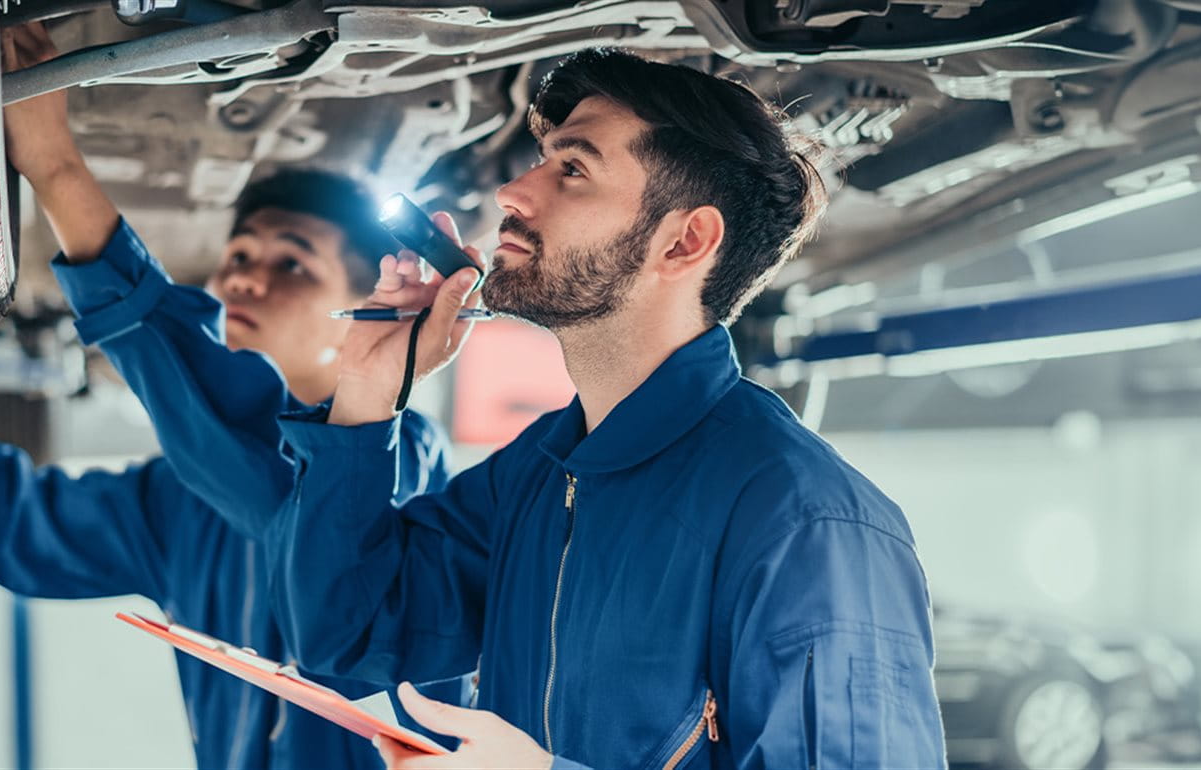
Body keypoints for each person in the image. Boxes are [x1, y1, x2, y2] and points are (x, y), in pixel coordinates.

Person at [266, 48, 948, 769]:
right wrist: (367, 398)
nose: (513, 193)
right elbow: (351, 635)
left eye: (572, 169)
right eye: (542, 159)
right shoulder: (539, 473)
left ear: (685, 241)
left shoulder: (808, 524)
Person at [0, 23, 461, 769]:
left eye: (293, 263)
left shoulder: (404, 465)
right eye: (240, 257)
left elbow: (276, 482)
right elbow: (7, 525)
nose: (245, 279)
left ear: (372, 305)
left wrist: (59, 168)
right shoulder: (179, 498)